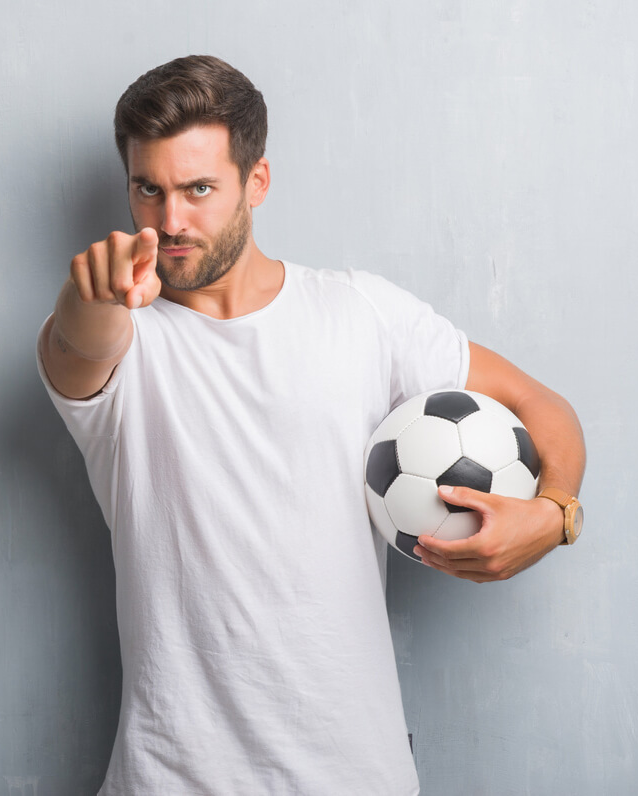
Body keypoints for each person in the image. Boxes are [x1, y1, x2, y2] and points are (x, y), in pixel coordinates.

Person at [36, 55, 587, 795]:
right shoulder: (127, 337)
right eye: (148, 190)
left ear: (254, 182)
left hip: (354, 775)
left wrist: (553, 517)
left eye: (199, 189)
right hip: (169, 778)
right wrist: (93, 294)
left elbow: (541, 408)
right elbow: (75, 343)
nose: (169, 221)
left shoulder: (361, 313)